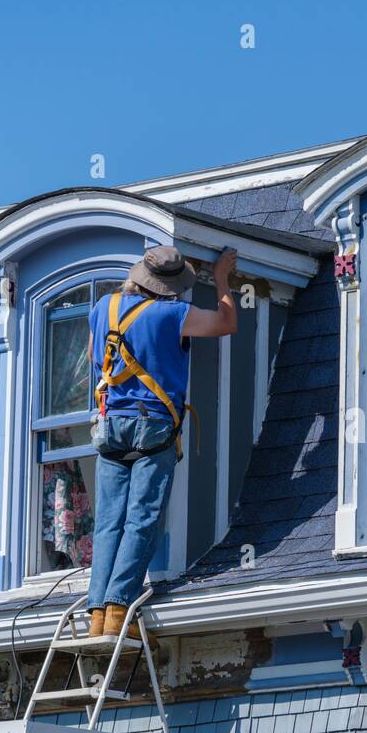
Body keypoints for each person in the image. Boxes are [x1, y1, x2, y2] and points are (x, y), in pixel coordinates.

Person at [85, 244, 238, 637]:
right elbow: (226, 323)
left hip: (110, 424)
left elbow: (93, 355)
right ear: (171, 287)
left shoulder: (105, 306)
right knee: (142, 519)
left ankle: (96, 615)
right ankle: (119, 608)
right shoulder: (173, 314)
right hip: (152, 425)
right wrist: (222, 280)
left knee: (107, 524)